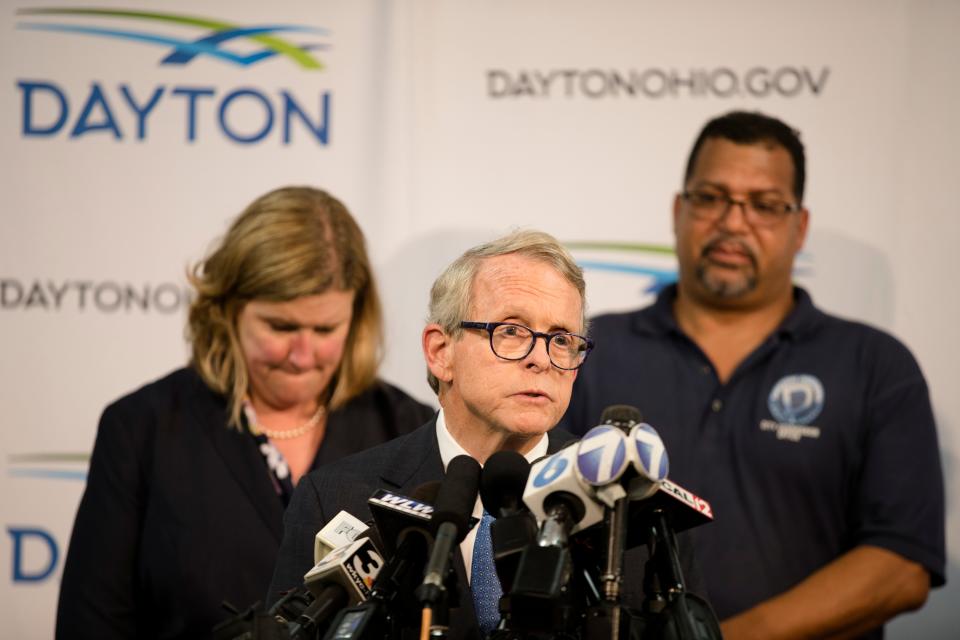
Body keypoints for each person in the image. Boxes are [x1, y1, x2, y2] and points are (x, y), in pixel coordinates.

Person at [560, 111, 946, 638]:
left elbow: (902, 568)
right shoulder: (589, 349)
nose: (733, 223)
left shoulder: (874, 365)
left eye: (764, 205)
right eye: (711, 198)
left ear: (799, 226)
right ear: (679, 210)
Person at [267, 230, 709, 640]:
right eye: (512, 331)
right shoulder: (337, 497)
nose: (541, 359)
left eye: (561, 339)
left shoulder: (637, 507)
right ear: (441, 353)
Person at [56, 186, 435, 638]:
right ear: (227, 310)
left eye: (325, 328)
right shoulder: (143, 429)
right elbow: (92, 623)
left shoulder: (408, 426)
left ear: (357, 316)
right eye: (281, 326)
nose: (302, 354)